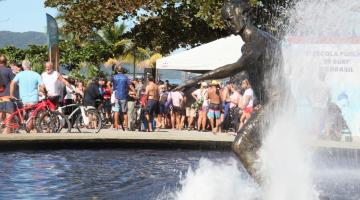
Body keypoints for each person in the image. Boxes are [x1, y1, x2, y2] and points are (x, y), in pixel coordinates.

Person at [9, 60, 45, 132]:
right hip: (34, 98)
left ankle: (27, 128)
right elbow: (42, 87)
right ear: (30, 66)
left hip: (23, 99)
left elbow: (12, 83)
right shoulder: (36, 74)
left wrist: (11, 95)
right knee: (32, 115)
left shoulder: (19, 74)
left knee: (27, 114)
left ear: (23, 66)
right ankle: (28, 129)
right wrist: (44, 92)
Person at [111, 64, 135, 130]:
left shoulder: (114, 77)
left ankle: (116, 127)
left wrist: (112, 91)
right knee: (125, 112)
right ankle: (126, 127)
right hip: (124, 96)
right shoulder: (125, 77)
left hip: (116, 96)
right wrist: (134, 91)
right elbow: (130, 85)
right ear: (122, 70)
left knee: (116, 111)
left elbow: (108, 84)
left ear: (117, 70)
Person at [0, 55, 15, 133]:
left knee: (0, 112)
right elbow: (13, 82)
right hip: (7, 95)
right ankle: (7, 130)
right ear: (6, 62)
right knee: (8, 113)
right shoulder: (8, 70)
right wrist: (12, 94)